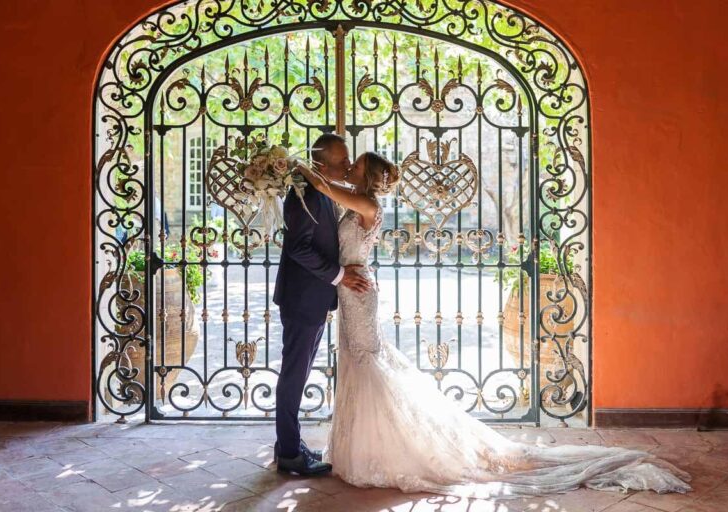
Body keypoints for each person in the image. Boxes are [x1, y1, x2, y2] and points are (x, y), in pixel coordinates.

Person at [295, 151, 693, 498]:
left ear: (366, 177)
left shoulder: (365, 204)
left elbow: (325, 186)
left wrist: (292, 164)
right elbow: (331, 195)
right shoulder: (356, 201)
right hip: (350, 288)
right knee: (359, 359)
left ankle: (379, 451)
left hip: (359, 291)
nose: (350, 167)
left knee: (367, 360)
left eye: (356, 166)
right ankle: (363, 447)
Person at [271, 133, 371, 476]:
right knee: (293, 375)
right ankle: (289, 453)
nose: (348, 165)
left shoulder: (324, 191)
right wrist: (340, 275)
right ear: (321, 165)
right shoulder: (306, 194)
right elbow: (297, 248)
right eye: (342, 161)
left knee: (297, 373)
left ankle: (287, 443)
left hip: (312, 298)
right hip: (302, 299)